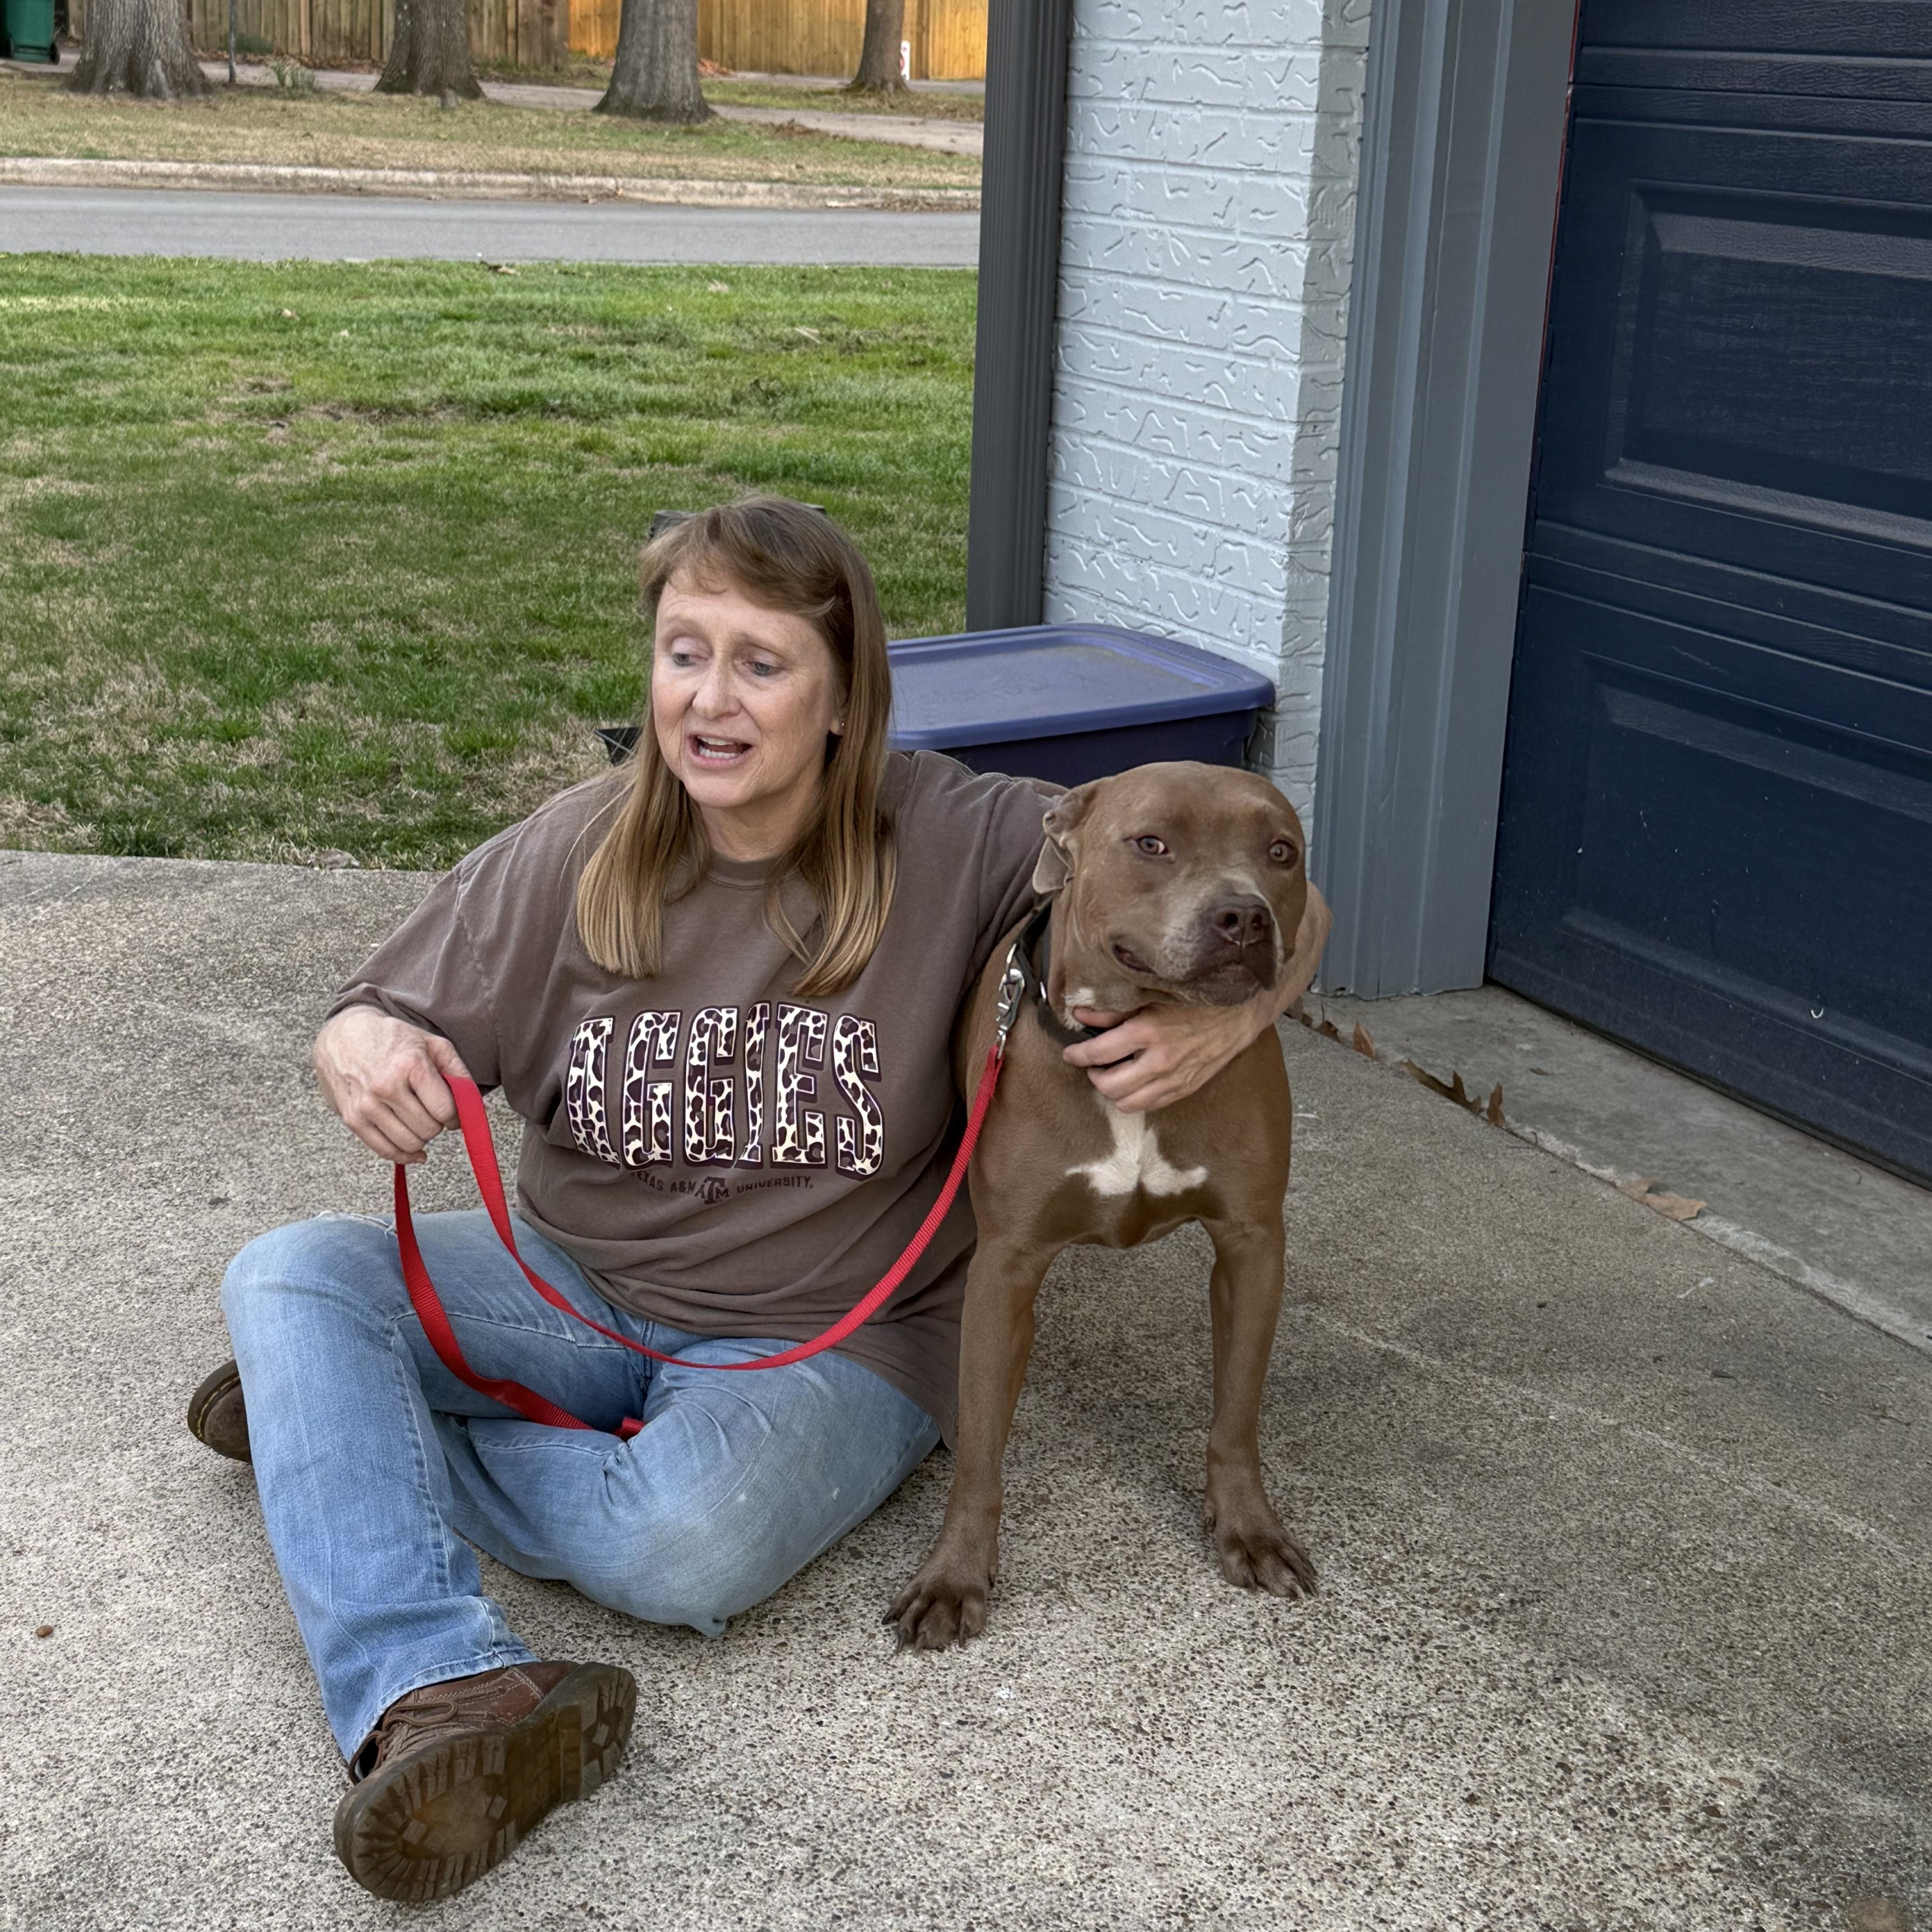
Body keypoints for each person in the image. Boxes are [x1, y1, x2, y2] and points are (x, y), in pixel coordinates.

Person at [189, 498, 1303, 1903]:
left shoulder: (967, 833)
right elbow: (379, 1005)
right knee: (289, 1274)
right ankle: (436, 1687)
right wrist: (358, 1041)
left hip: (841, 1334)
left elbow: (1252, 882)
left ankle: (334, 1430)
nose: (709, 700)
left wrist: (1233, 1018)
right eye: (682, 653)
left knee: (681, 1544)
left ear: (842, 698)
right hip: (573, 1286)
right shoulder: (576, 846)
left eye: (761, 663)